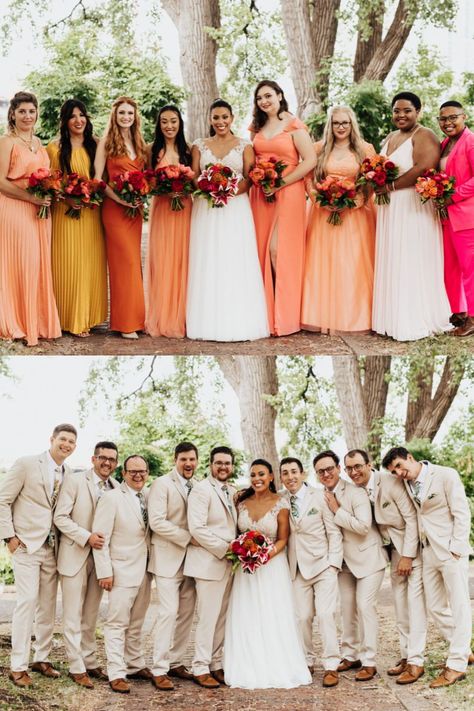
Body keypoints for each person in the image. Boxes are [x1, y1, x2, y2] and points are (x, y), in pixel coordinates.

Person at [383, 447, 473, 688]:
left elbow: (462, 512)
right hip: (428, 552)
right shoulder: (406, 485)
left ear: (410, 457)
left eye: (401, 466)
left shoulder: (446, 475)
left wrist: (457, 546)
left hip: (450, 551)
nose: (400, 473)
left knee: (459, 605)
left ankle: (456, 665)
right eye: (394, 471)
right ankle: (463, 647)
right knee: (435, 606)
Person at [0, 424, 77, 687]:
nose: (66, 444)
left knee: (47, 606)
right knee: (27, 602)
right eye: (63, 439)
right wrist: (9, 537)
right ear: (52, 439)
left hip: (53, 548)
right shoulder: (26, 464)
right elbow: (2, 499)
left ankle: (41, 658)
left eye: (71, 441)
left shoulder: (70, 473)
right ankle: (18, 665)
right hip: (25, 546)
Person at [224, 459, 312, 689]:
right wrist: (244, 553)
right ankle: (247, 664)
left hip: (271, 567)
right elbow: (237, 534)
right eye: (252, 475)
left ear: (271, 476)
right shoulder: (240, 502)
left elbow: (283, 538)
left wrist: (263, 556)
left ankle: (277, 663)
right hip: (246, 570)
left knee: (273, 614)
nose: (257, 478)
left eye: (261, 474)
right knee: (247, 614)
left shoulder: (280, 503)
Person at [186, 99, 269, 341]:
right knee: (208, 258)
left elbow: (249, 177)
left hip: (235, 208)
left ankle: (239, 321)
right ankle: (206, 321)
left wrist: (227, 191)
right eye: (216, 118)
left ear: (232, 118)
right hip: (206, 207)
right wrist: (208, 188)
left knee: (234, 259)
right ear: (210, 120)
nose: (220, 122)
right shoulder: (199, 145)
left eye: (224, 117)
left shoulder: (245, 145)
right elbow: (193, 176)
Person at [372, 91, 452, 341]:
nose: (401, 115)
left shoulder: (425, 135)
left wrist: (391, 187)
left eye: (407, 110)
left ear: (418, 111)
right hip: (389, 207)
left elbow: (423, 168)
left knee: (411, 256)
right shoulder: (391, 136)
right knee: (393, 255)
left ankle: (414, 318)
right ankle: (391, 318)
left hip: (412, 206)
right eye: (397, 110)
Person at [344, 449, 426, 684]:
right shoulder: (354, 491)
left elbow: (411, 518)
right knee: (400, 605)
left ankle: (417, 659)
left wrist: (408, 556)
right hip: (388, 552)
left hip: (410, 549)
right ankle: (405, 655)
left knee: (414, 604)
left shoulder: (390, 482)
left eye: (358, 466)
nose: (354, 472)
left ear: (369, 465)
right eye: (349, 468)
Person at [314, 450, 388, 682]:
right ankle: (350, 654)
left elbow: (364, 526)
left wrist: (337, 510)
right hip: (342, 562)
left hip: (368, 559)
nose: (326, 474)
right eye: (321, 471)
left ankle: (369, 661)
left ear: (338, 468)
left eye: (330, 469)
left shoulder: (355, 492)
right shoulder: (320, 495)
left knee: (365, 607)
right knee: (347, 609)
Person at [249, 80, 316, 336]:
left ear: (279, 95)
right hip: (261, 193)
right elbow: (251, 157)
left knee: (279, 251)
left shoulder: (294, 125)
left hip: (288, 192)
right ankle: (267, 313)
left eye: (268, 95)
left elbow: (310, 160)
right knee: (261, 250)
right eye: (259, 98)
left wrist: (281, 183)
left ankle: (286, 315)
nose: (264, 101)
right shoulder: (256, 127)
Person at [301, 106, 376, 334]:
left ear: (351, 124)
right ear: (330, 125)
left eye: (345, 123)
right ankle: (322, 315)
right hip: (323, 214)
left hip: (355, 215)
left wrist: (356, 200)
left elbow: (371, 178)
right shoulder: (318, 148)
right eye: (336, 123)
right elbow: (309, 178)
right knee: (324, 263)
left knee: (351, 264)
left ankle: (355, 318)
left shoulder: (365, 149)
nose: (341, 127)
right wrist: (320, 200)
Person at [53, 440, 119, 688]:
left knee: (91, 614)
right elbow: (60, 517)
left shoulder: (116, 487)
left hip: (100, 560)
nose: (107, 462)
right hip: (75, 555)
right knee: (72, 614)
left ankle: (90, 661)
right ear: (93, 459)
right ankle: (76, 666)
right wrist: (86, 537)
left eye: (112, 459)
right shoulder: (75, 481)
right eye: (102, 457)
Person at [0, 91, 61, 347]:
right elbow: (0, 181)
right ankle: (16, 323)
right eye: (22, 111)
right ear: (12, 113)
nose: (27, 116)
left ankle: (37, 321)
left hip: (39, 212)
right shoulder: (6, 142)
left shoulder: (39, 143)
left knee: (38, 264)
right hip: (15, 207)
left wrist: (50, 192)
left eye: (31, 111)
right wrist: (31, 198)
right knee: (22, 263)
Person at [46, 99, 107, 337]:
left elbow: (103, 180)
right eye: (73, 116)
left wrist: (91, 194)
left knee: (89, 264)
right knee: (67, 262)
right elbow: (51, 182)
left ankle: (87, 317)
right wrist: (66, 198)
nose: (78, 120)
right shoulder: (54, 148)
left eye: (82, 115)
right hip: (65, 213)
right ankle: (66, 318)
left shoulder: (97, 145)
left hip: (91, 214)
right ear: (65, 121)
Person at [280, 457, 342, 688]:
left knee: (326, 615)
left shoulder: (320, 496)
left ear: (303, 473)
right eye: (285, 473)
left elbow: (334, 532)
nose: (290, 477)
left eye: (294, 472)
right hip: (296, 568)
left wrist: (333, 564)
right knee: (302, 617)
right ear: (281, 477)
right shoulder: (280, 499)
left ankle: (331, 666)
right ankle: (306, 661)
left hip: (323, 565)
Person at [92, 454, 152, 693]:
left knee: (137, 622)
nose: (138, 475)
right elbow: (100, 539)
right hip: (120, 571)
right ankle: (116, 672)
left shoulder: (148, 496)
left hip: (145, 571)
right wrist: (105, 571)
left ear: (147, 473)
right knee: (117, 623)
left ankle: (135, 664)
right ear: (124, 473)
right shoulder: (111, 498)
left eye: (142, 471)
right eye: (132, 471)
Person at [184, 446, 237, 688]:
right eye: (219, 463)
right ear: (211, 464)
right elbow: (197, 528)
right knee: (208, 617)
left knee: (222, 617)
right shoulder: (201, 490)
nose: (223, 467)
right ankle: (200, 666)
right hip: (208, 562)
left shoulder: (233, 492)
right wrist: (226, 549)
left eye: (227, 463)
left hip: (229, 565)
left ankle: (216, 663)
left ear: (232, 466)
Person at [95, 96, 147, 339]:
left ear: (135, 117)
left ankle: (136, 320)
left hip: (134, 211)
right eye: (122, 113)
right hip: (115, 209)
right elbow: (98, 179)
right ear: (114, 116)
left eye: (130, 113)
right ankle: (125, 323)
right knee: (123, 263)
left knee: (133, 264)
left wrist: (141, 195)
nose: (126, 117)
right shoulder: (106, 142)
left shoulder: (139, 142)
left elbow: (145, 175)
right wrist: (119, 199)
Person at [147, 442, 198, 690]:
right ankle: (159, 668)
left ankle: (176, 662)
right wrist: (187, 536)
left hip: (193, 561)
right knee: (168, 613)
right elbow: (156, 522)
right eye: (183, 459)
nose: (188, 464)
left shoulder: (199, 487)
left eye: (192, 460)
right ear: (175, 460)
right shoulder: (162, 484)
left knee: (187, 614)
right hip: (168, 558)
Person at [145, 105, 192, 338]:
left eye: (173, 121)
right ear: (158, 124)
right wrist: (162, 189)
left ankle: (181, 316)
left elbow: (195, 181)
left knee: (183, 260)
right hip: (163, 210)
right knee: (163, 260)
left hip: (184, 210)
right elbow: (147, 183)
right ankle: (162, 316)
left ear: (180, 123)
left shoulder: (189, 150)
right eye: (164, 121)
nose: (169, 126)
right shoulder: (151, 150)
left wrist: (183, 186)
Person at [437, 100, 474, 336]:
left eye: (453, 117)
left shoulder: (470, 141)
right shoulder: (444, 145)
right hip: (446, 217)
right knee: (451, 268)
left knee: (470, 268)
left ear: (464, 117)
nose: (448, 122)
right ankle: (458, 313)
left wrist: (453, 197)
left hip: (467, 215)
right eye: (443, 119)